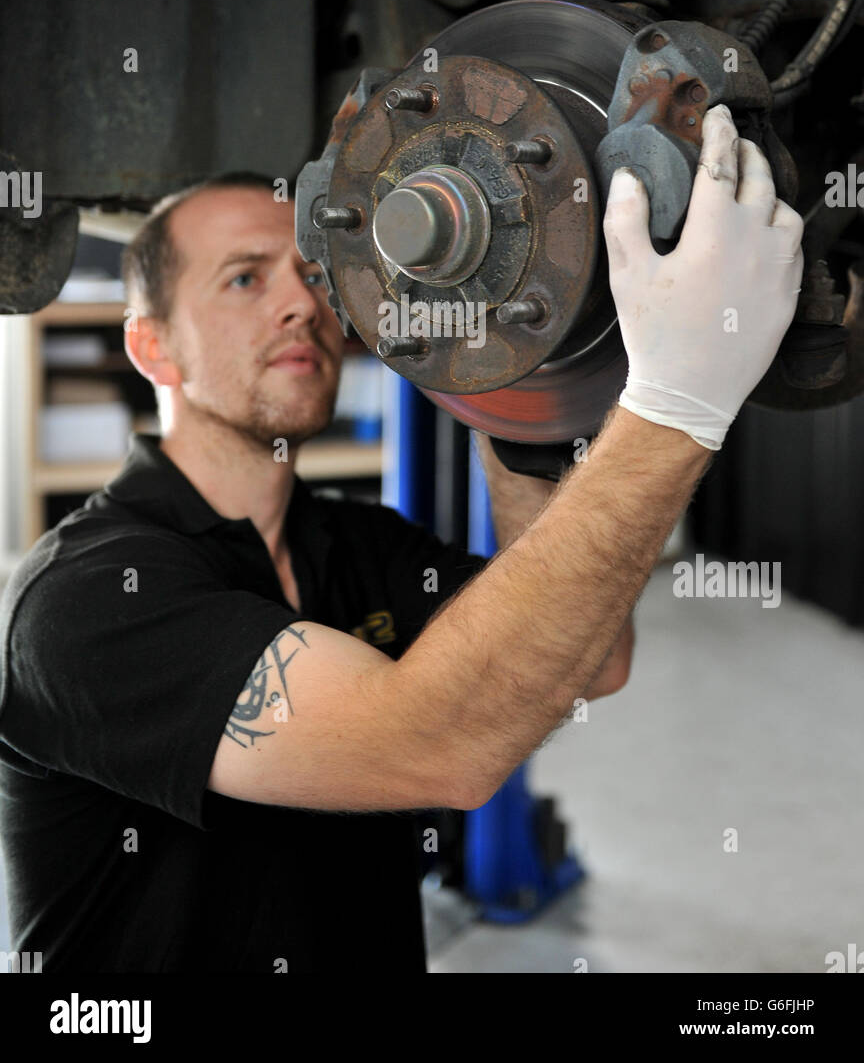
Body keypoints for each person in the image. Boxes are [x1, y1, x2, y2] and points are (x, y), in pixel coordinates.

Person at [0, 105, 803, 972]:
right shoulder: (85, 601)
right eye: (244, 279)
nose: (299, 305)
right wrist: (676, 403)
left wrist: (502, 379)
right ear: (152, 347)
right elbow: (439, 742)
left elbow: (596, 657)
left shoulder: (353, 542)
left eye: (314, 273)